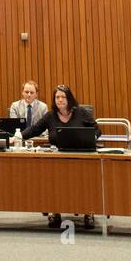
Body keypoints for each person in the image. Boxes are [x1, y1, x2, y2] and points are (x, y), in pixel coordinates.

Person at [22, 84, 99, 228]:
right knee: (51, 178)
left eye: (63, 97)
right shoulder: (50, 116)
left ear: (69, 98)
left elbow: (96, 130)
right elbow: (34, 129)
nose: (60, 100)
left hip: (81, 158)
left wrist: (93, 136)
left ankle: (88, 212)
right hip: (58, 158)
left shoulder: (81, 113)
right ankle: (55, 212)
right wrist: (18, 136)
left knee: (86, 180)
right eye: (57, 97)